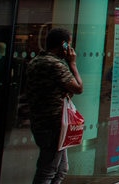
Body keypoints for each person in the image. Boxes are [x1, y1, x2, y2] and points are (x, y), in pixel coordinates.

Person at [25, 27, 84, 184]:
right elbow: (78, 88)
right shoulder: (55, 65)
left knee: (61, 168)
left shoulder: (36, 61)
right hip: (52, 123)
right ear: (64, 45)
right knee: (48, 170)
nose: (71, 49)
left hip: (43, 122)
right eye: (69, 45)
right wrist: (72, 64)